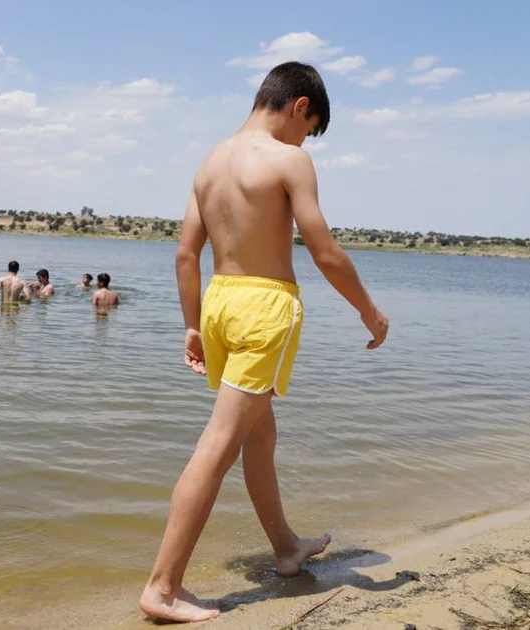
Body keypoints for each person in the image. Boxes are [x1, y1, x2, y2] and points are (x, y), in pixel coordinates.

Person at [139, 61, 390, 623]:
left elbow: (186, 253)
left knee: (259, 435)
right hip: (263, 309)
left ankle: (285, 547)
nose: (307, 142)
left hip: (220, 306)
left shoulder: (210, 162)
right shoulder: (288, 160)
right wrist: (369, 312)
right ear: (300, 106)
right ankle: (163, 586)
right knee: (220, 443)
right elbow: (324, 251)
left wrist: (192, 324)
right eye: (311, 129)